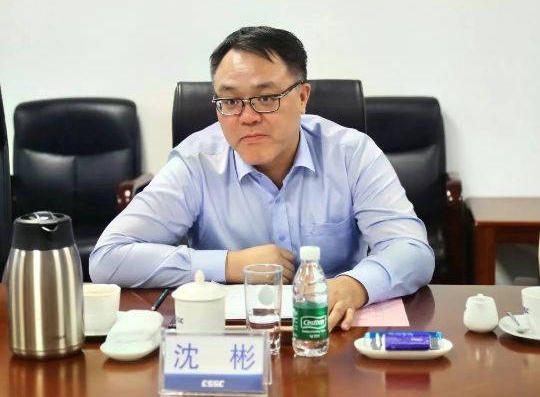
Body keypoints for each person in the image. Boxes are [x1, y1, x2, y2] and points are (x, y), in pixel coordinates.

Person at [89, 26, 435, 332]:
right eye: (230, 101)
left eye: (266, 98)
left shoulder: (350, 154)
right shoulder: (196, 163)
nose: (248, 117)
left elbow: (412, 249)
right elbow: (107, 258)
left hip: (331, 332)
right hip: (228, 340)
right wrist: (230, 264)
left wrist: (355, 285)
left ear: (302, 97)